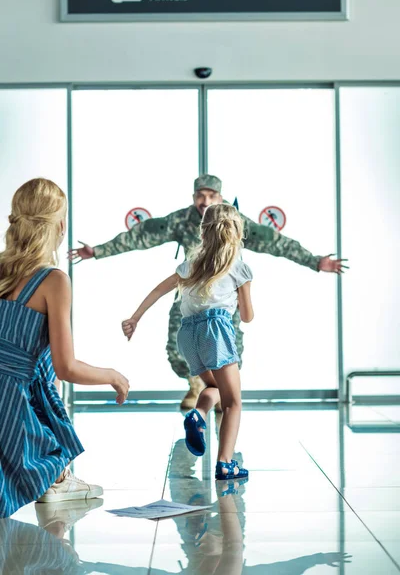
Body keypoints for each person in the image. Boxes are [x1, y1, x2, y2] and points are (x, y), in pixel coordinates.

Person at [69, 175, 347, 410]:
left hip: (224, 304)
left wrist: (314, 261)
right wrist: (99, 251)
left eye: (210, 195)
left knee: (230, 355)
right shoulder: (183, 220)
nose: (204, 201)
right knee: (177, 353)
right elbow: (143, 234)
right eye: (200, 195)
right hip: (189, 299)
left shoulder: (233, 220)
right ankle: (199, 386)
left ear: (220, 196)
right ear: (193, 197)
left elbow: (274, 242)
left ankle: (218, 399)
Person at [0, 178, 129, 519]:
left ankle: (55, 476)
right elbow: (65, 367)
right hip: (12, 407)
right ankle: (55, 477)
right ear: (59, 225)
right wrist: (112, 375)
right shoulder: (53, 280)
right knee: (53, 432)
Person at [122, 203, 253, 480]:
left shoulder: (189, 265)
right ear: (236, 233)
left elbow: (159, 289)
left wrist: (135, 317)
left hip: (187, 335)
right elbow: (247, 316)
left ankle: (198, 414)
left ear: (203, 233)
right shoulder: (239, 268)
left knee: (214, 387)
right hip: (215, 330)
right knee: (234, 403)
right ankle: (225, 463)